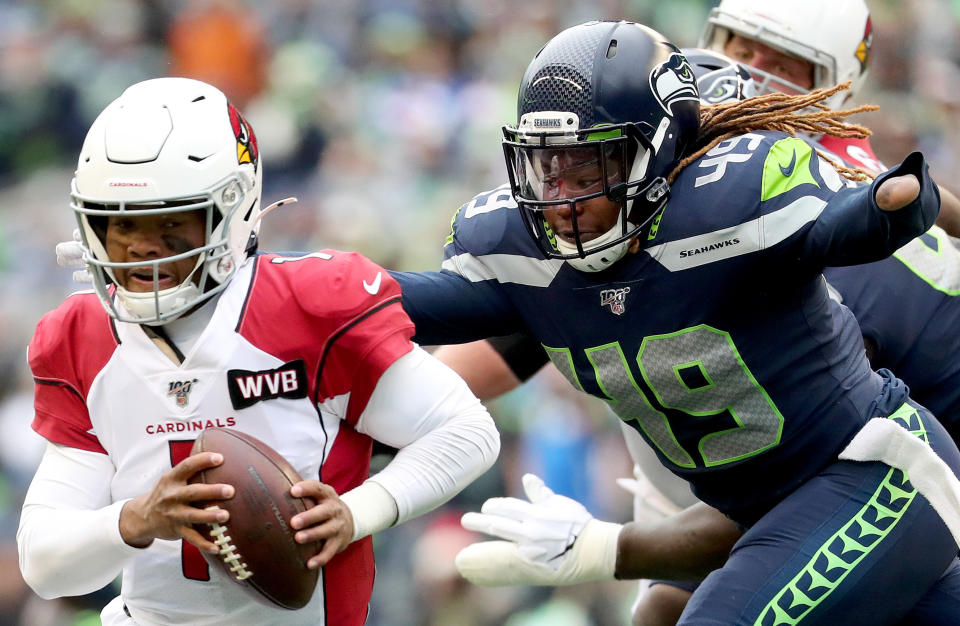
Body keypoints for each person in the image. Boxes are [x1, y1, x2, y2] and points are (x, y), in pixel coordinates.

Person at [391, 20, 960, 624]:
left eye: (588, 172)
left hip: (884, 471)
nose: (562, 199)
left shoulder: (756, 217)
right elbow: (420, 322)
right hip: (771, 506)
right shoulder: (547, 257)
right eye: (549, 169)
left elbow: (872, 213)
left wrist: (899, 205)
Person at [17, 77, 500, 626]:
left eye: (170, 223)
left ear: (232, 210)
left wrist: (355, 512)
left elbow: (466, 433)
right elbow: (45, 563)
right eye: (121, 224)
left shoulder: (306, 305)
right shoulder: (80, 334)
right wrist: (138, 518)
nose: (140, 249)